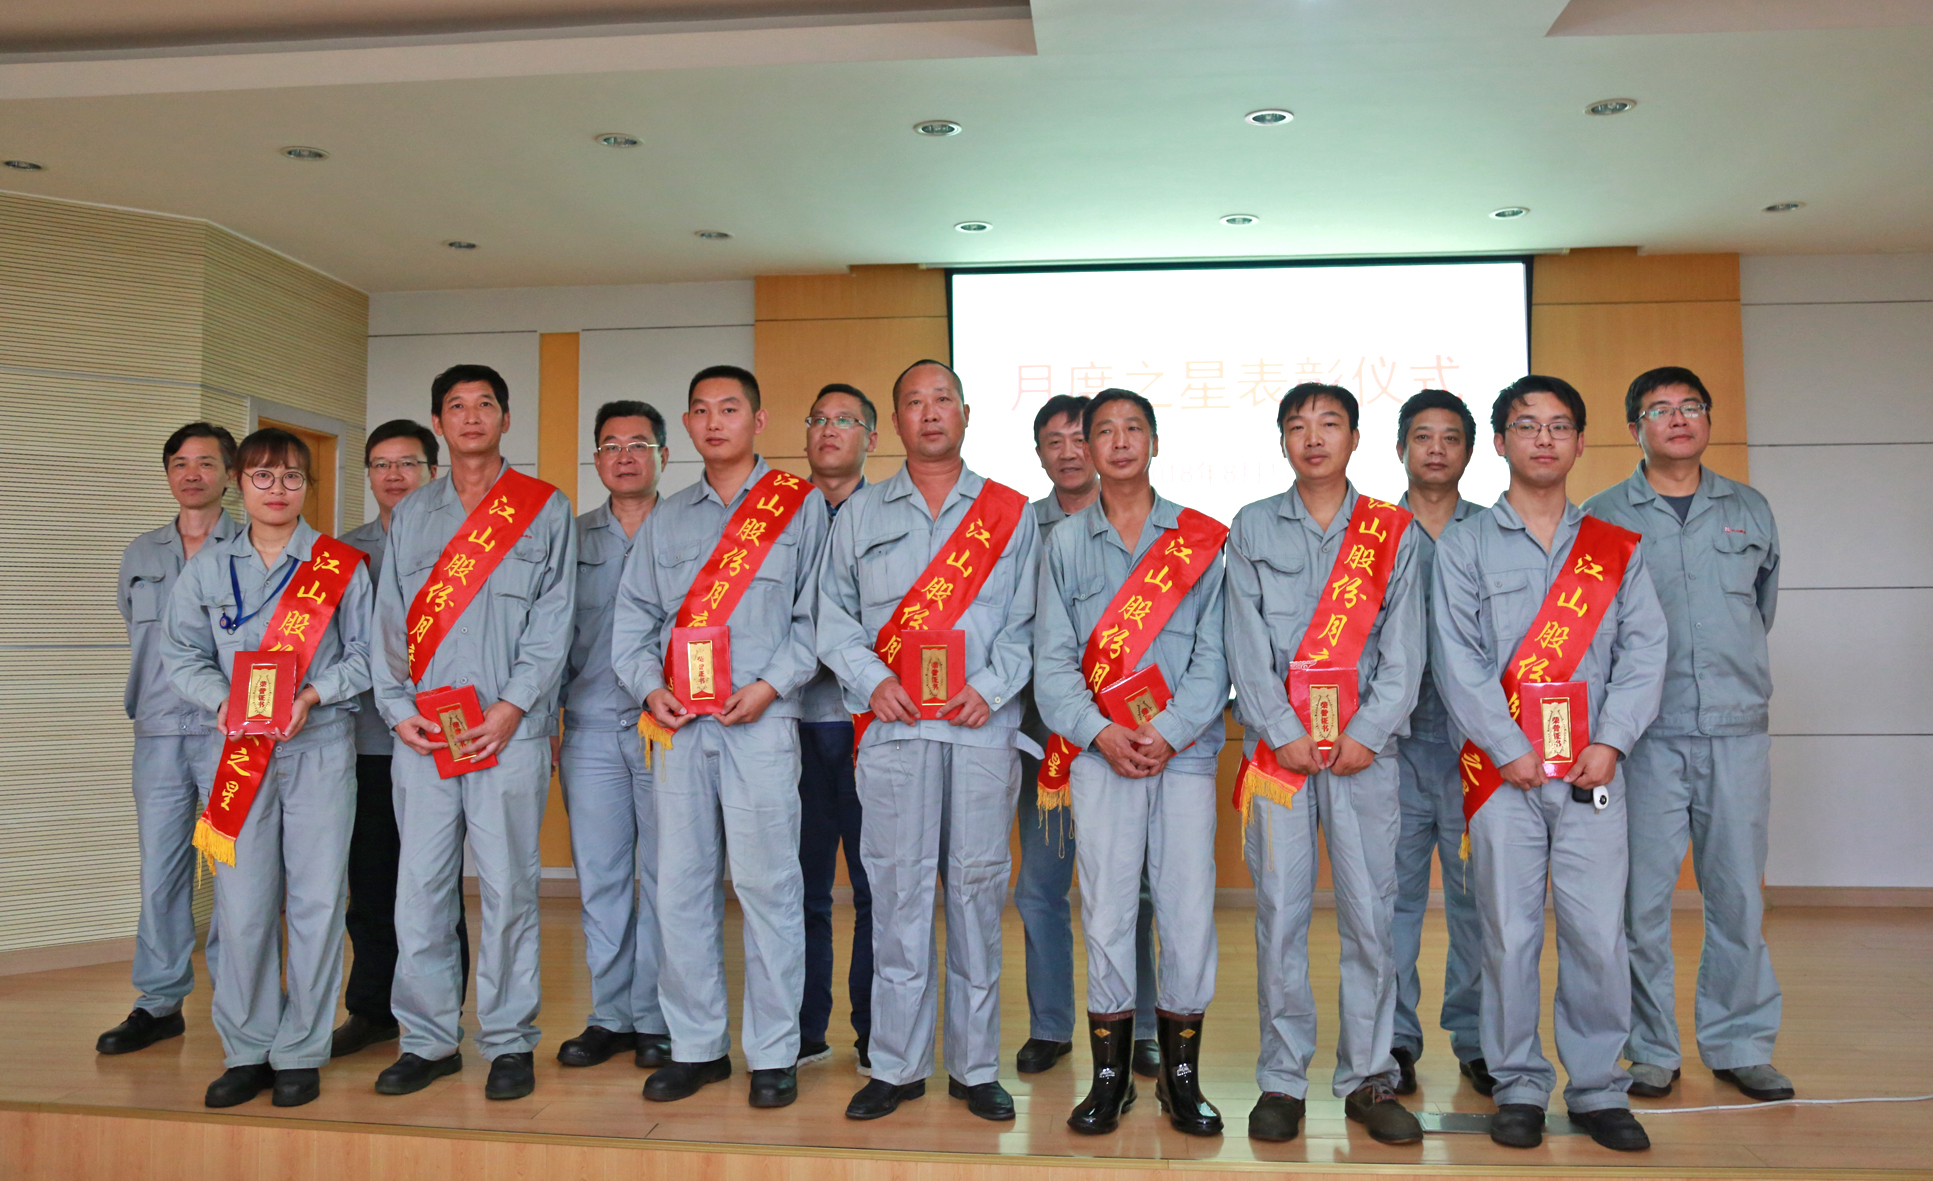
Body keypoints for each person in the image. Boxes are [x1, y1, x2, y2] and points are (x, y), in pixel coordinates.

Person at [1433, 375, 1667, 1152]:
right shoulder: (1464, 544)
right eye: (1526, 425)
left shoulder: (1613, 546)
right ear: (1499, 441)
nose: (1543, 438)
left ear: (1578, 441)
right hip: (1503, 779)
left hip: (1592, 775)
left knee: (1598, 934)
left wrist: (1611, 741)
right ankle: (1518, 1085)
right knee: (1506, 934)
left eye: (1558, 425)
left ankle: (1597, 1087)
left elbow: (1645, 651)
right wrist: (1508, 747)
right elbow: (1456, 659)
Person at [818, 359, 1039, 1123]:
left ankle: (975, 1068)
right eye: (913, 401)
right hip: (895, 729)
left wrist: (994, 685)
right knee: (897, 895)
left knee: (976, 894)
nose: (930, 411)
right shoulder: (860, 514)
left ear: (966, 413)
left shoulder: (1010, 513)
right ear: (896, 423)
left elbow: (1031, 620)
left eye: (942, 398)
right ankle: (896, 1064)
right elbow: (832, 616)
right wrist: (871, 679)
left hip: (980, 729)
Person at [612, 365, 828, 1110]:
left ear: (757, 420)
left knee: (768, 886)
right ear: (687, 424)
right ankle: (696, 1047)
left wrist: (769, 685)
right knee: (680, 886)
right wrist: (651, 689)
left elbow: (817, 618)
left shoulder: (798, 506)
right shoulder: (668, 517)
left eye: (729, 409)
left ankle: (773, 1052)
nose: (714, 422)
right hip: (678, 729)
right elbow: (633, 624)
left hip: (760, 723)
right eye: (700, 410)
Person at [1224, 382, 1427, 1146]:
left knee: (1370, 915)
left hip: (1363, 757)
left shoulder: (1391, 531)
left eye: (1328, 423)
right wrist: (1280, 729)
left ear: (1354, 437)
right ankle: (1282, 1079)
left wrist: (1367, 732)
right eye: (1297, 425)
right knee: (1279, 915)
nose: (1312, 437)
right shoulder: (1251, 525)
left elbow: (1405, 649)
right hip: (1279, 758)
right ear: (1282, 440)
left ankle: (1368, 1077)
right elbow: (1242, 641)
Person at [1581, 367, 1791, 1103]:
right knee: (1638, 903)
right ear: (1633, 428)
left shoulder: (1749, 508)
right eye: (1659, 409)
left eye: (1690, 406)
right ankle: (1649, 1050)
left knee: (1737, 898)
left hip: (1735, 733)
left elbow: (1759, 609)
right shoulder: (1603, 516)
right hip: (1642, 739)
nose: (1677, 419)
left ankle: (1739, 1044)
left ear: (1707, 419)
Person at [371, 364, 577, 1102]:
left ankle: (509, 1040)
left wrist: (514, 706)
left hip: (506, 734)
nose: (470, 417)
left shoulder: (543, 507)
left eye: (484, 404)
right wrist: (397, 709)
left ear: (505, 418)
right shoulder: (412, 514)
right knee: (420, 890)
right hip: (425, 736)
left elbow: (555, 620)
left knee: (509, 888)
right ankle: (427, 1040)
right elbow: (387, 622)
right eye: (455, 406)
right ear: (438, 423)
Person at [1034, 389, 1229, 1137]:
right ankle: (1109, 1080)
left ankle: (1182, 1081)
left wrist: (1170, 731)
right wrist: (1100, 733)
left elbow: (1216, 656)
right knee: (1108, 910)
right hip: (1102, 757)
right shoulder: (1062, 544)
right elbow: (1052, 662)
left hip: (1183, 757)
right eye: (1104, 431)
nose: (1119, 442)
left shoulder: (1198, 539)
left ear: (1154, 441)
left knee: (1186, 912)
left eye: (1133, 429)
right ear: (1086, 447)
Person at [162, 428, 373, 1107]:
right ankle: (247, 1048)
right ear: (239, 484)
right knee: (244, 907)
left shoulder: (339, 565)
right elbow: (180, 653)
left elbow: (368, 655)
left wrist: (313, 694)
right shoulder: (206, 569)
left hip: (320, 747)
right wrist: (223, 700)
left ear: (308, 485)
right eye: (262, 476)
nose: (276, 489)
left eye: (290, 477)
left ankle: (301, 1050)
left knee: (316, 902)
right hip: (238, 753)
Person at [1014, 395, 1159, 1080]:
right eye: (1055, 441)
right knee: (1041, 887)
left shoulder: (1152, 531)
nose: (1070, 452)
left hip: (1132, 741)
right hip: (1048, 741)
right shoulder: (1021, 528)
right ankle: (1050, 1025)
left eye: (1081, 437)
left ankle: (1145, 1027)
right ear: (1039, 453)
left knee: (1133, 891)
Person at [98, 423, 241, 1057]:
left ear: (229, 474)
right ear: (167, 474)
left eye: (206, 463)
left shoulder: (251, 546)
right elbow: (138, 630)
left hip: (227, 733)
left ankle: (242, 998)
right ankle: (158, 1003)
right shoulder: (141, 553)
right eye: (179, 463)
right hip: (158, 730)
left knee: (237, 869)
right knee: (160, 870)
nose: (192, 474)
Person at [332, 420, 472, 1059]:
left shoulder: (464, 544)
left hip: (443, 737)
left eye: (409, 463)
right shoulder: (341, 553)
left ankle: (441, 1013)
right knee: (370, 881)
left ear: (433, 471)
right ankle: (371, 1008)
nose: (394, 476)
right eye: (381, 465)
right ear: (368, 475)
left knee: (436, 882)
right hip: (367, 739)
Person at [555, 401, 674, 1071]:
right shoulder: (569, 539)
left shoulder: (689, 532)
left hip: (671, 730)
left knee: (666, 878)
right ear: (596, 459)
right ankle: (610, 1015)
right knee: (601, 879)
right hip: (592, 728)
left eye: (638, 444)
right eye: (610, 446)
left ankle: (657, 1016)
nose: (624, 456)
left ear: (663, 455)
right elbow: (547, 640)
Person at [1386, 391, 1491, 1096]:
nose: (1435, 449)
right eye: (1421, 436)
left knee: (1477, 901)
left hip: (1474, 748)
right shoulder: (1370, 533)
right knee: (1389, 901)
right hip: (1389, 745)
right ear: (1399, 448)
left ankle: (1477, 1039)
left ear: (1470, 451)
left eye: (1450, 438)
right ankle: (1394, 1039)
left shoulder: (1495, 531)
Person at [796, 383, 878, 1072]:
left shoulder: (891, 515)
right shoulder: (773, 517)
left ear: (870, 438)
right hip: (789, 724)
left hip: (868, 724)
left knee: (877, 889)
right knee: (800, 888)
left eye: (845, 420)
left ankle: (876, 1030)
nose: (829, 430)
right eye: (818, 419)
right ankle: (802, 1027)